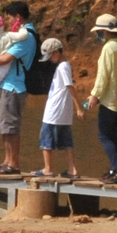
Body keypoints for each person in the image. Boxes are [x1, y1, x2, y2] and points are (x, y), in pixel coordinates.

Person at [0, 0, 37, 174]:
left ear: (18, 17)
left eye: (9, 17)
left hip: (15, 86)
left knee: (11, 126)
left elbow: (5, 58)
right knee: (4, 125)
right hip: (9, 85)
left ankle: (13, 164)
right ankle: (7, 160)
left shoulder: (27, 36)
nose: (7, 21)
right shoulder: (20, 34)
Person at [86, 14, 117, 183]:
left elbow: (103, 76)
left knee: (104, 136)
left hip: (110, 99)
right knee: (114, 136)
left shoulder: (109, 48)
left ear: (104, 32)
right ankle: (114, 169)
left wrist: (94, 95)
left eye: (100, 32)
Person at [34, 38, 84, 177]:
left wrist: (78, 107)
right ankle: (72, 169)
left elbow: (70, 86)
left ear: (56, 52)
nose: (50, 60)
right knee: (66, 141)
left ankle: (47, 168)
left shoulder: (62, 67)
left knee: (46, 139)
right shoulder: (65, 66)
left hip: (54, 111)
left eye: (50, 56)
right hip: (63, 113)